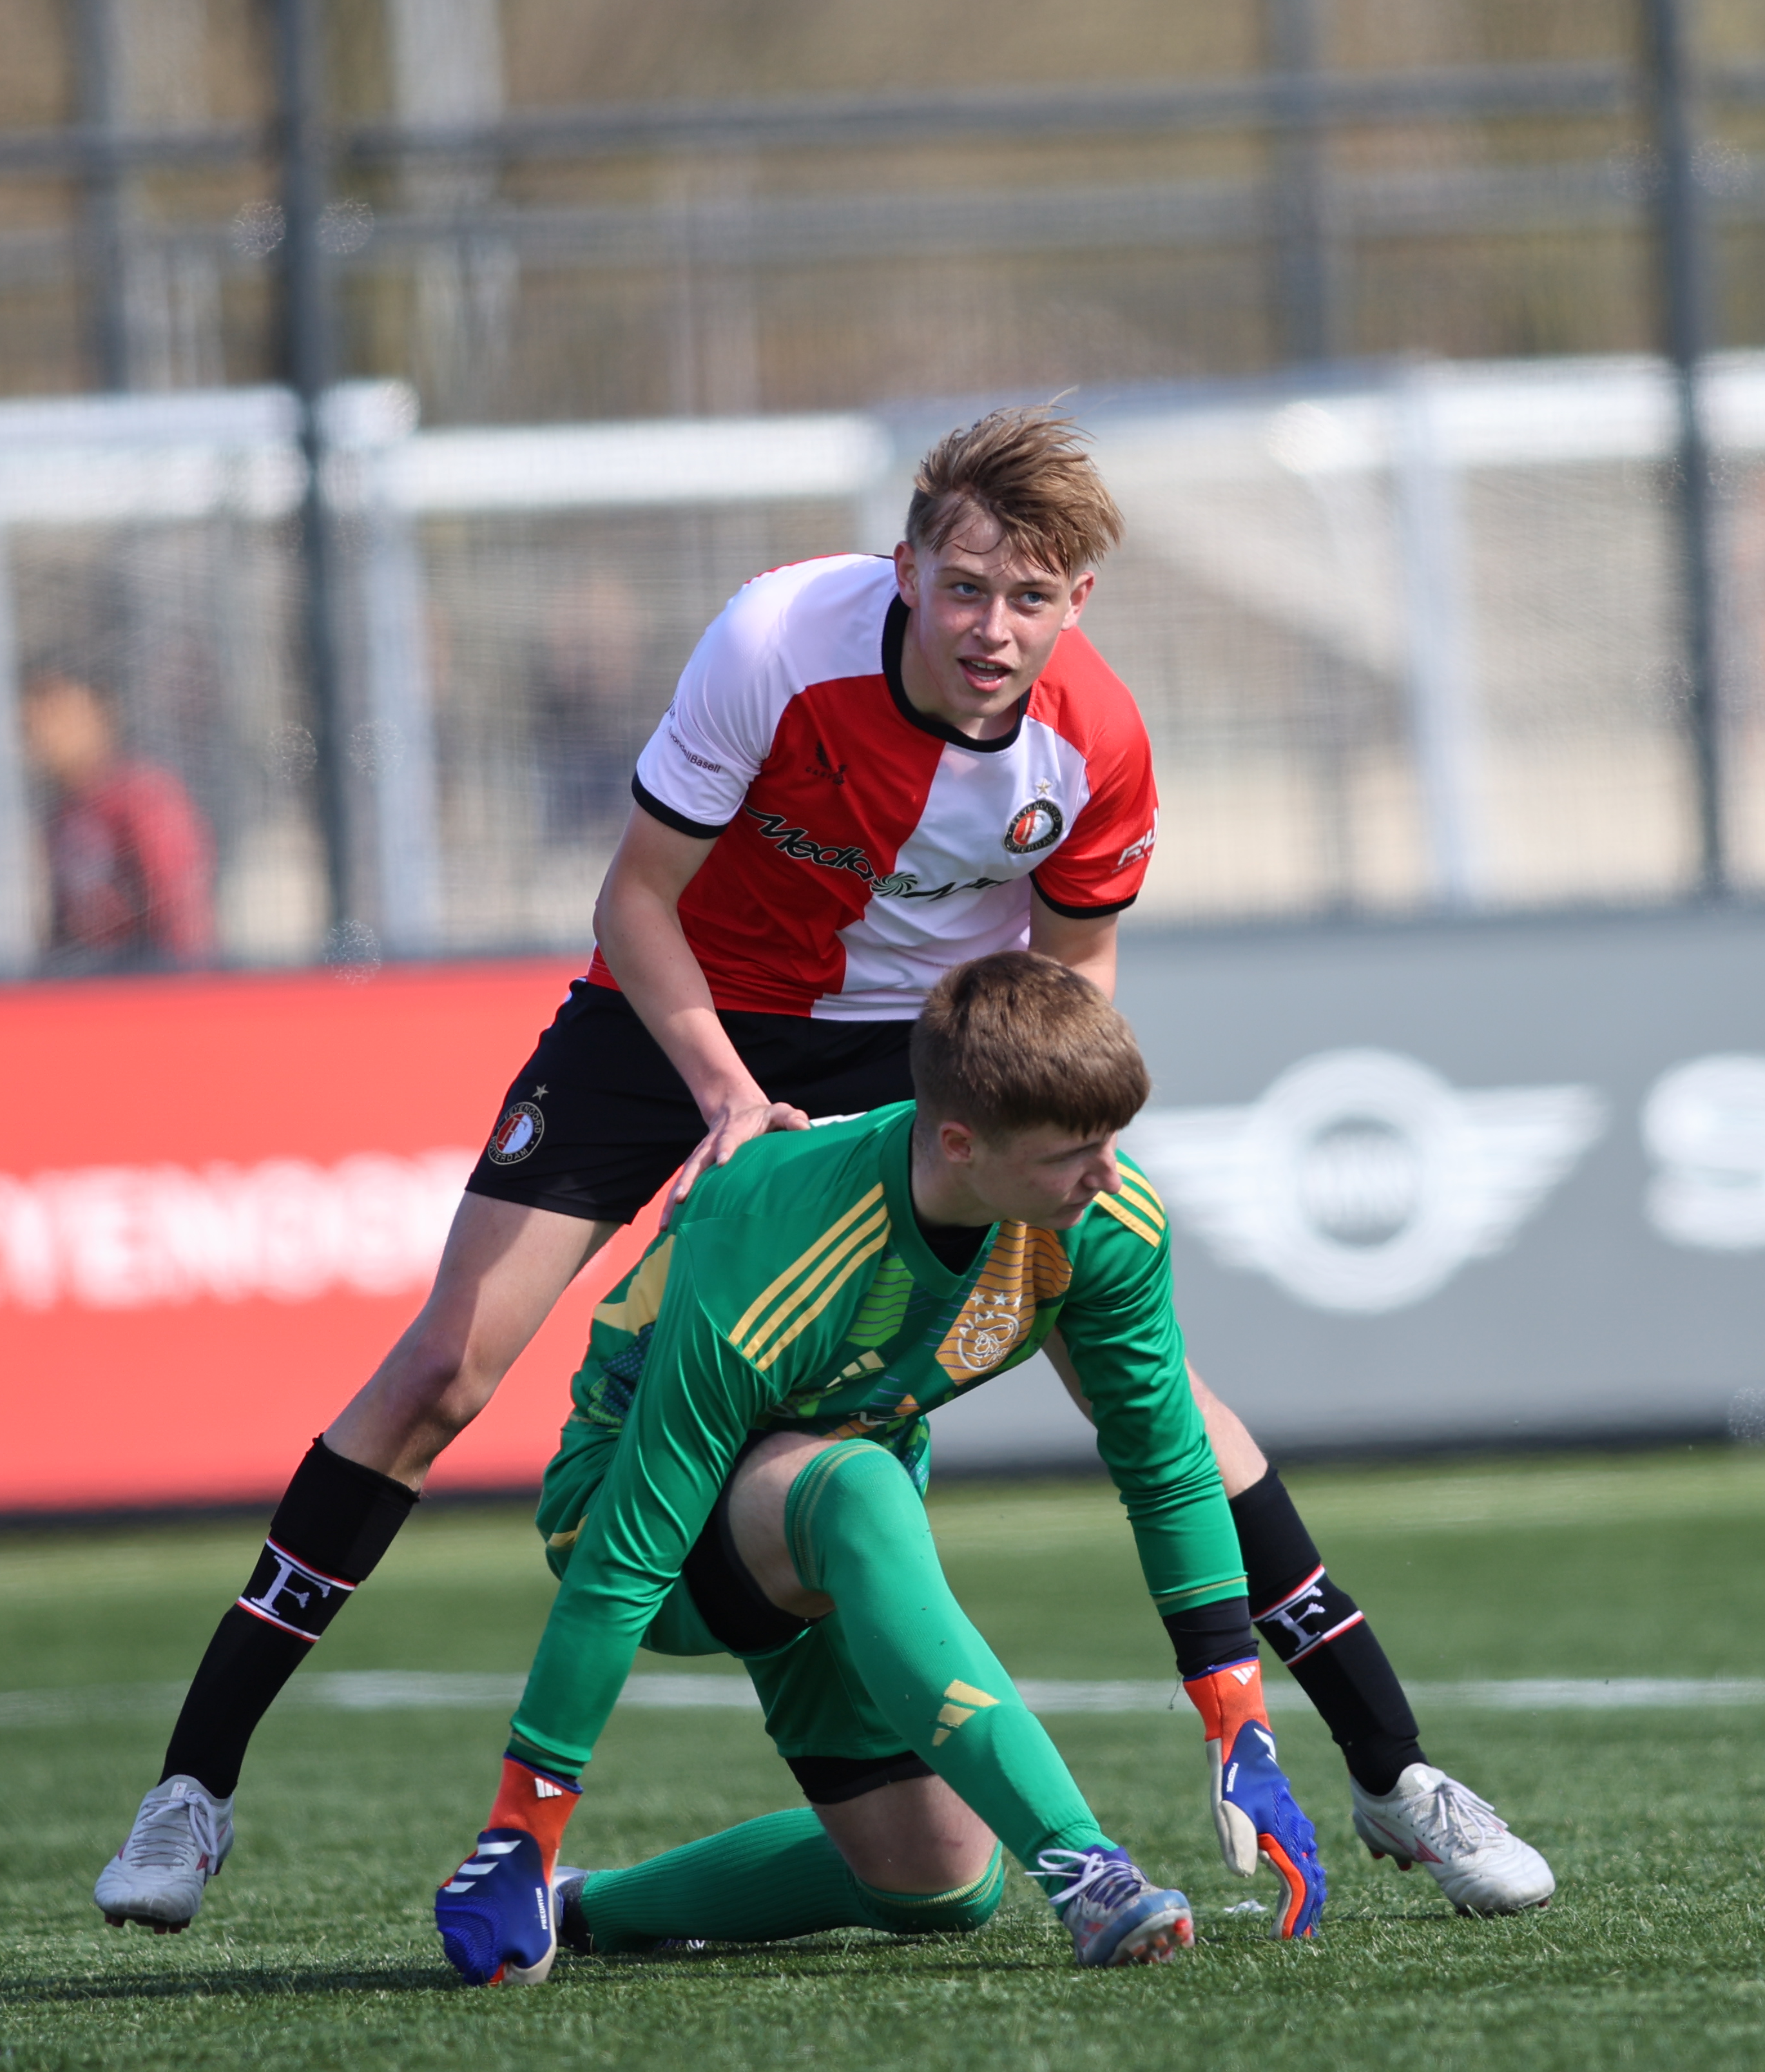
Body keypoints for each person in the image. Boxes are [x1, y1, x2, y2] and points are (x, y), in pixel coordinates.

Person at [93, 407, 1547, 1938]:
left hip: (913, 1048)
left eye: (1031, 598)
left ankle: (1392, 1771)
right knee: (442, 1369)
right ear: (907, 564)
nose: (994, 628)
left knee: (1165, 1399)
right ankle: (193, 1787)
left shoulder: (1097, 742)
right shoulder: (778, 640)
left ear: (1077, 607)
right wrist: (724, 1094)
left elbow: (1076, 967)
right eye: (967, 585)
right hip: (679, 1012)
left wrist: (1059, 1152)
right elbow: (638, 897)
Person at [432, 953, 1319, 1982]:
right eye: (1072, 1154)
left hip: (836, 1509)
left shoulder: (1104, 1224)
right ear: (959, 1142)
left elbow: (1165, 1464)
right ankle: (1089, 1872)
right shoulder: (771, 1231)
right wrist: (523, 1816)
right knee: (859, 1486)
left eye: (1112, 1142)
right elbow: (625, 1557)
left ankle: (582, 1907)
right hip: (640, 1518)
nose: (1107, 1176)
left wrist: (1237, 1714)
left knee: (936, 1883)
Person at [19, 662, 217, 969]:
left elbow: (179, 908)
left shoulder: (141, 797)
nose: (46, 736)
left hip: (142, 983)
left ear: (99, 714)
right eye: (32, 725)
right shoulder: (63, 812)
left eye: (58, 718)